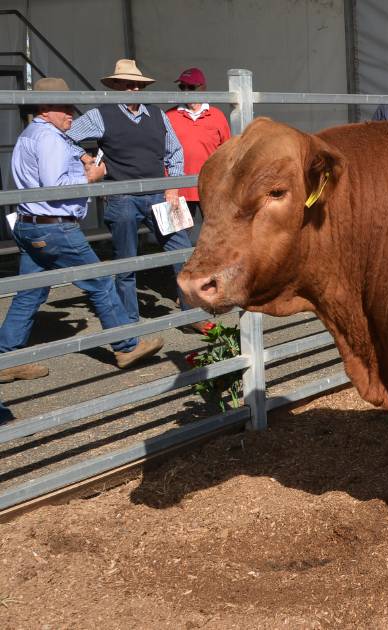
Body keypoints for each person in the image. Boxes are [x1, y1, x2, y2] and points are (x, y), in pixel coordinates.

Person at [0, 78, 164, 415]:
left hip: (32, 225)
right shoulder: (48, 138)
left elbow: (61, 154)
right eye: (65, 108)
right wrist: (90, 176)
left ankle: (7, 356)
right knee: (101, 282)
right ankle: (126, 346)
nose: (72, 115)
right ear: (45, 109)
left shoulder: (33, 133)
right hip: (56, 227)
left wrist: (81, 156)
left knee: (30, 291)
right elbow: (56, 185)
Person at [66, 59, 200, 329]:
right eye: (128, 84)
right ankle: (130, 323)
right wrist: (85, 158)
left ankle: (192, 313)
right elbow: (65, 137)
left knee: (183, 252)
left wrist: (173, 185)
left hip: (160, 194)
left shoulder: (157, 115)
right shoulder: (99, 115)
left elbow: (175, 151)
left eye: (138, 85)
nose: (134, 90)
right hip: (122, 197)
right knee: (126, 262)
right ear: (115, 86)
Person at [164, 67, 231, 231]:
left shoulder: (217, 116)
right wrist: (168, 187)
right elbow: (162, 153)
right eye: (182, 87)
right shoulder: (169, 116)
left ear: (203, 88)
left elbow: (227, 152)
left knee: (217, 233)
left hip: (211, 188)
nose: (186, 91)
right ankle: (182, 258)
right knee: (178, 236)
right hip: (178, 190)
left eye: (191, 87)